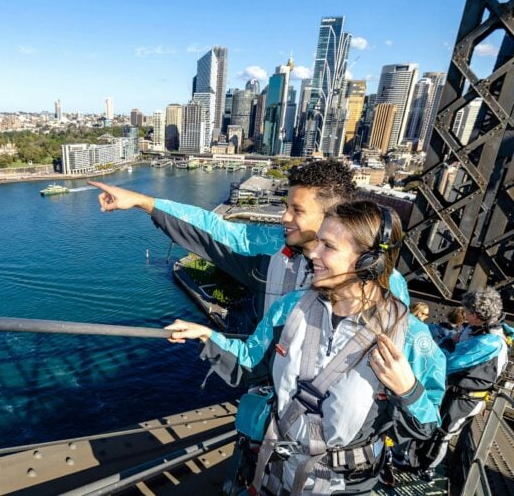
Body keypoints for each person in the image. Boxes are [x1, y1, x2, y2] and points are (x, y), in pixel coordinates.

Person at [165, 201, 445, 494]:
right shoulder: (291, 308)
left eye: (328, 246)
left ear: (368, 261)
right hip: (275, 473)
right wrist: (207, 337)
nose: (312, 253)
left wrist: (408, 389)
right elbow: (251, 365)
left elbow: (426, 428)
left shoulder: (409, 337)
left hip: (347, 486)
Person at [90, 160, 410, 338]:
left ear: (330, 215)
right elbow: (213, 230)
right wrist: (143, 201)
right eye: (286, 206)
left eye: (296, 211)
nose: (284, 218)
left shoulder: (387, 288)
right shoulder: (273, 249)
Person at [409, 287, 509, 482]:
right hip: (454, 392)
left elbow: (449, 362)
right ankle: (417, 461)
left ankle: (427, 468)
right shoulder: (476, 329)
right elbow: (451, 342)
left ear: (478, 315)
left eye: (467, 311)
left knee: (443, 433)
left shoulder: (489, 342)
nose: (464, 314)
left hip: (465, 399)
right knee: (434, 427)